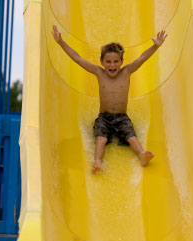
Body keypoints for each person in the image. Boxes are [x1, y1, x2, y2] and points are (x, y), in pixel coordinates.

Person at [52, 25, 167, 173]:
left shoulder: (126, 72)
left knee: (131, 137)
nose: (112, 65)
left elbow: (142, 58)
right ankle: (98, 162)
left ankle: (141, 155)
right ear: (101, 62)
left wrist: (155, 46)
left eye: (116, 61)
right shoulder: (99, 73)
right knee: (101, 139)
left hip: (122, 117)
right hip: (104, 117)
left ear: (121, 62)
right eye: (108, 61)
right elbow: (77, 58)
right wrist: (61, 41)